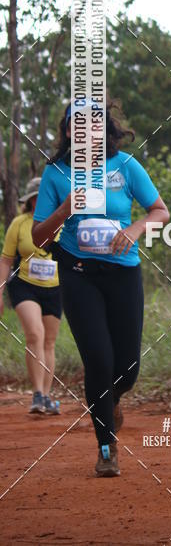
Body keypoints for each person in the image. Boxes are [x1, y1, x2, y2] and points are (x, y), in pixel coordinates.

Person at [31, 99, 169, 477]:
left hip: (123, 272)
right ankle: (106, 446)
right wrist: (63, 212)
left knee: (127, 369)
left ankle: (112, 402)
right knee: (99, 359)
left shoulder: (124, 166)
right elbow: (39, 237)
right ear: (68, 133)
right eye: (75, 126)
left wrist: (136, 228)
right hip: (78, 274)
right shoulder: (56, 174)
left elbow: (160, 210)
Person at [0, 177, 61, 415]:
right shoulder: (20, 223)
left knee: (49, 341)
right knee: (35, 334)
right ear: (30, 201)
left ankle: (46, 396)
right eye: (36, 197)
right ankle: (36, 394)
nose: (39, 201)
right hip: (24, 285)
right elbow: (5, 259)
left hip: (55, 287)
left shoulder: (63, 222)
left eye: (43, 196)